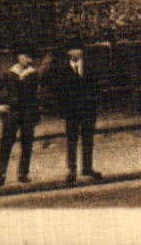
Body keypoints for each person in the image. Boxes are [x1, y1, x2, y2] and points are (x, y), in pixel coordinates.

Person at [46, 42, 103, 184]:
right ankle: (72, 168)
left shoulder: (90, 67)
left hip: (88, 109)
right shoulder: (62, 69)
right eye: (73, 50)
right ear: (68, 53)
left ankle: (87, 167)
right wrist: (62, 108)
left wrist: (95, 103)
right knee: (72, 140)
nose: (76, 52)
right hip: (71, 111)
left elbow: (97, 87)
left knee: (88, 139)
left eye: (78, 49)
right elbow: (57, 91)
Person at [0, 48, 41, 187]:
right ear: (19, 57)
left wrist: (35, 114)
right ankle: (1, 175)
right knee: (6, 144)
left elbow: (37, 96)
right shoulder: (8, 74)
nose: (28, 60)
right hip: (12, 113)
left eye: (30, 58)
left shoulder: (33, 74)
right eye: (25, 56)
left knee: (27, 144)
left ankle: (23, 174)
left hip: (28, 113)